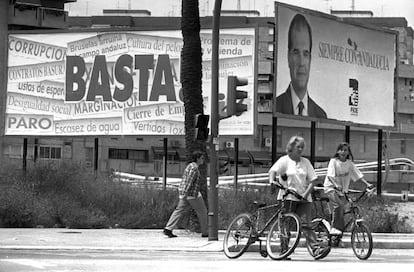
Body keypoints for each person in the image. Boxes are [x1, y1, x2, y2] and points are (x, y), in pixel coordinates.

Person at [269, 135, 329, 259]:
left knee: (306, 223)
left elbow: (313, 180)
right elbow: (273, 171)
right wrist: (272, 181)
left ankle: (316, 249)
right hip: (287, 197)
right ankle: (284, 250)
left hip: (303, 198)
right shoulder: (284, 160)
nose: (300, 149)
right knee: (285, 224)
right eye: (298, 147)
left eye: (302, 147)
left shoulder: (305, 162)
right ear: (291, 147)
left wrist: (305, 195)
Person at [276, 14, 327, 119]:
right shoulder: (276, 107)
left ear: (310, 60)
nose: (301, 62)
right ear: (288, 57)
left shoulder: (320, 115)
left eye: (305, 54)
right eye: (296, 52)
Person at [324, 142, 374, 235]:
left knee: (343, 211)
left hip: (342, 191)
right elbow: (330, 176)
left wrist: (367, 184)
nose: (343, 152)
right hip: (331, 187)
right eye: (341, 149)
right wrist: (336, 185)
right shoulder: (333, 161)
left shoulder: (349, 163)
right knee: (339, 206)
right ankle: (334, 229)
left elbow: (357, 175)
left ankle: (337, 237)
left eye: (345, 150)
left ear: (348, 152)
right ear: (338, 151)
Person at [163, 151, 208, 238]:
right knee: (202, 211)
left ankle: (168, 228)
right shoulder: (194, 168)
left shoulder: (190, 166)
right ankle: (205, 232)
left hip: (186, 193)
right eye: (202, 158)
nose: (203, 160)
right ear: (197, 159)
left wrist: (183, 194)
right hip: (192, 194)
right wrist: (186, 193)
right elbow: (189, 182)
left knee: (179, 210)